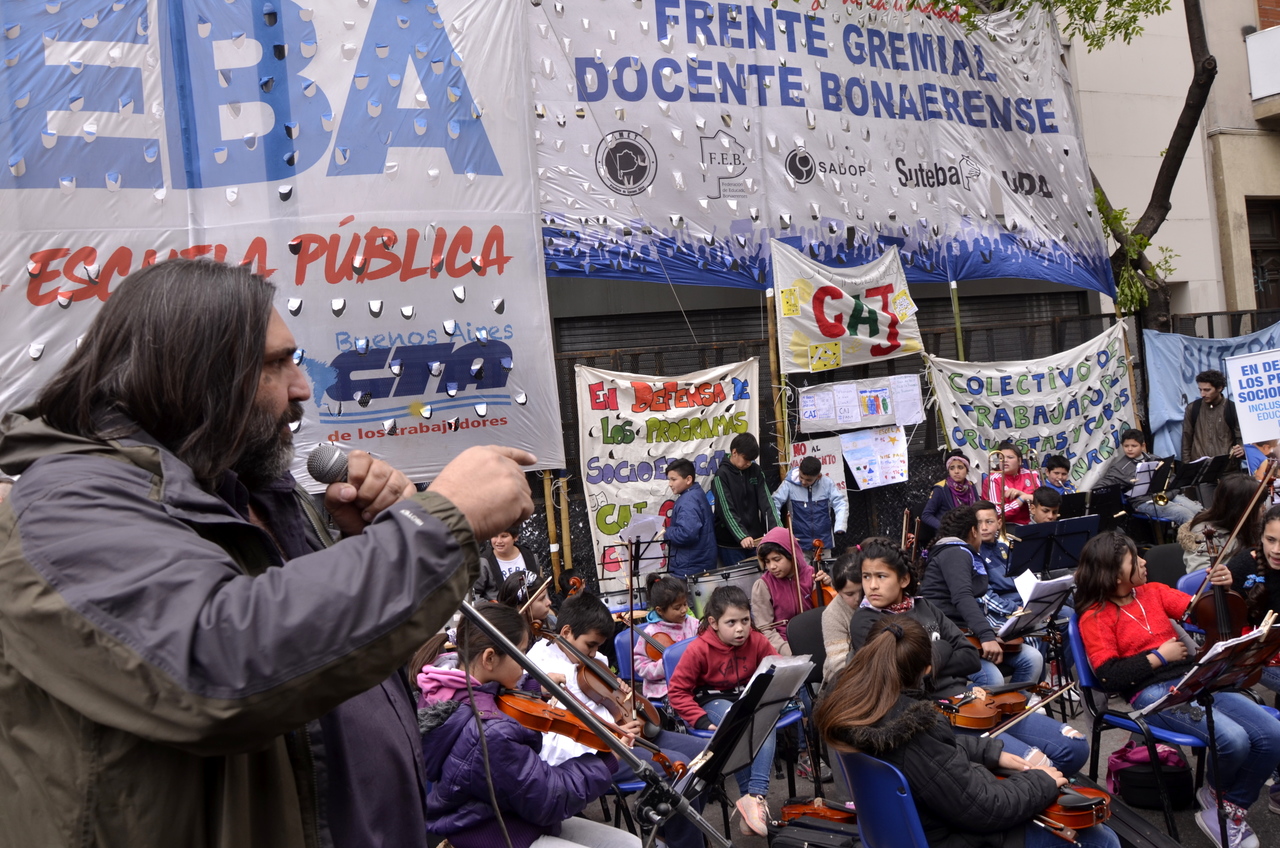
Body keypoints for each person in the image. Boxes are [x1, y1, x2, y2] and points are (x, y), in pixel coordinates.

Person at [0, 259, 536, 848]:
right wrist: (439, 524)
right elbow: (217, 663)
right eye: (276, 364)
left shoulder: (253, 494)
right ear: (192, 373)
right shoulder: (61, 505)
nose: (303, 387)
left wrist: (367, 544)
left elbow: (316, 661)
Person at [817, 616, 1120, 848]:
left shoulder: (855, 709)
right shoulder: (912, 731)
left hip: (899, 832)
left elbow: (929, 760)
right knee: (1100, 838)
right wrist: (1040, 781)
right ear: (926, 669)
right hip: (949, 838)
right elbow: (985, 808)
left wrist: (991, 752)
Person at [1076, 531, 1280, 847]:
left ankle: (1226, 803)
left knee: (1273, 733)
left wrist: (1223, 587)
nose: (1144, 561)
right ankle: (1220, 798)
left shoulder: (1153, 591)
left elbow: (1203, 610)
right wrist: (1158, 657)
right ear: (1116, 574)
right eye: (1135, 559)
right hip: (1150, 695)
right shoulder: (1095, 616)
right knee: (1234, 739)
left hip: (1194, 679)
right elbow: (1109, 677)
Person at [852, 537, 1087, 775]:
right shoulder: (866, 621)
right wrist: (943, 648)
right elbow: (904, 677)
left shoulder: (926, 607)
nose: (871, 585)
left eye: (881, 576)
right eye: (866, 576)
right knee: (1038, 767)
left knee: (1074, 747)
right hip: (935, 716)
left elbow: (969, 657)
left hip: (972, 702)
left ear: (904, 579)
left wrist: (929, 661)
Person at [417, 602, 639, 848]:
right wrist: (608, 758)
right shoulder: (488, 732)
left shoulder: (447, 685)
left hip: (515, 815)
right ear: (490, 658)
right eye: (521, 656)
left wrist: (532, 686)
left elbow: (493, 692)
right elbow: (552, 798)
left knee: (627, 843)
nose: (526, 666)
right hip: (501, 834)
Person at [525, 591, 707, 848]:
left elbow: (608, 702)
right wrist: (612, 734)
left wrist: (623, 698)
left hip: (627, 733)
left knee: (705, 756)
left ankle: (664, 826)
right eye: (590, 645)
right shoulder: (537, 668)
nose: (595, 653)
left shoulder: (595, 657)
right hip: (594, 750)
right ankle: (681, 842)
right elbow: (552, 740)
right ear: (565, 632)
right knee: (679, 767)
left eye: (599, 646)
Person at [667, 585, 786, 837]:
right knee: (740, 720)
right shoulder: (699, 649)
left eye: (745, 620)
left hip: (745, 698)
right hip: (711, 701)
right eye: (731, 622)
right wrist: (698, 719)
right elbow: (677, 692)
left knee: (764, 716)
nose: (741, 628)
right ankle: (754, 799)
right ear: (713, 622)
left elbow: (778, 669)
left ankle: (751, 799)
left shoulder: (757, 639)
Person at [921, 505, 1045, 688]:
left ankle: (1012, 712)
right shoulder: (956, 553)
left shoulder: (961, 552)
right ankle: (979, 712)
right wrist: (987, 636)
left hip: (968, 632)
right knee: (992, 679)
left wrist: (992, 631)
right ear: (973, 531)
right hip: (948, 636)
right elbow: (962, 597)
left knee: (1032, 658)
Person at [1226, 504, 1280, 699]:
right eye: (1270, 540)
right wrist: (1223, 590)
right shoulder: (1243, 565)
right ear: (1261, 537)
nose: (1276, 550)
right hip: (1257, 653)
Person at [750, 525, 832, 655]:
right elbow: (765, 628)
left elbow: (829, 612)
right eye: (767, 561)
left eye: (777, 559)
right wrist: (787, 651)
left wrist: (827, 586)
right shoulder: (763, 585)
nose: (772, 566)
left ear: (792, 555)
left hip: (816, 640)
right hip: (784, 647)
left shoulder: (812, 575)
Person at [1097, 428, 1202, 524]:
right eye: (1126, 446)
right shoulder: (1120, 467)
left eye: (1134, 446)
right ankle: (1196, 542)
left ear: (1143, 446)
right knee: (1183, 513)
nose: (1129, 449)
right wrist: (1128, 480)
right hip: (1143, 502)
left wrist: (1169, 490)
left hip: (1166, 496)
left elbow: (1172, 478)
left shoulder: (1155, 458)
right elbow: (1101, 486)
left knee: (1199, 511)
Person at [711, 433, 781, 567]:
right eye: (746, 459)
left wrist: (778, 531)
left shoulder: (756, 470)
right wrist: (741, 535)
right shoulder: (721, 475)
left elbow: (767, 502)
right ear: (734, 452)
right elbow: (726, 510)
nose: (749, 463)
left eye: (752, 460)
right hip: (730, 543)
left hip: (756, 540)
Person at [1178, 473, 1263, 574]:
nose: (1264, 508)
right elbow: (1200, 578)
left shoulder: (1254, 525)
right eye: (1260, 505)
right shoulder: (1204, 534)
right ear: (1240, 509)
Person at [631, 574, 699, 699]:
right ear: (660, 610)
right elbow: (640, 666)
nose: (684, 610)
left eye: (685, 604)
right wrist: (665, 665)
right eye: (677, 608)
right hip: (664, 688)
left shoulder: (693, 624)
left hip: (694, 681)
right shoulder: (650, 633)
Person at [772, 454, 849, 554]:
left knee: (825, 569)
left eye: (808, 480)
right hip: (799, 541)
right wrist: (778, 527)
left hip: (823, 540)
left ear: (818, 477)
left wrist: (840, 526)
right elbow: (774, 502)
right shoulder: (788, 484)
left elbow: (841, 502)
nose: (803, 482)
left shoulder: (827, 483)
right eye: (801, 477)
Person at [662, 458, 717, 577]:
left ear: (688, 479)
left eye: (673, 479)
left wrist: (666, 532)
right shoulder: (697, 494)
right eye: (669, 479)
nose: (670, 484)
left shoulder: (688, 501)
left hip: (689, 567)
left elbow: (687, 534)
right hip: (698, 563)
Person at [1182, 369, 1244, 463]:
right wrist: (1187, 467)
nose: (1202, 394)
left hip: (1227, 470)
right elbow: (1186, 441)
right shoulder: (1193, 408)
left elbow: (1241, 438)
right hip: (1199, 469)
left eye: (1207, 390)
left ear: (1219, 388)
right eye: (1200, 389)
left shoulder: (1232, 408)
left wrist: (1242, 448)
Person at [820, 550, 863, 685]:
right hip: (844, 679)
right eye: (849, 594)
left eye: (862, 591)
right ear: (837, 591)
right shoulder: (832, 614)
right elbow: (839, 664)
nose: (858, 598)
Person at [473, 522, 545, 601]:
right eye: (495, 536)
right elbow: (474, 594)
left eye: (504, 536)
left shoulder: (530, 557)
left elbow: (540, 587)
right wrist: (491, 606)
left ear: (515, 537)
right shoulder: (484, 562)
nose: (498, 541)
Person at [921, 449, 979, 534]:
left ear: (967, 470)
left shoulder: (971, 486)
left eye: (960, 467)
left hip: (969, 532)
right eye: (952, 468)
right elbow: (926, 515)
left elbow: (977, 509)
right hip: (948, 535)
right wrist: (945, 528)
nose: (956, 471)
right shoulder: (940, 488)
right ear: (948, 471)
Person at [983, 441, 1040, 526]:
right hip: (1006, 526)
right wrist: (1020, 500)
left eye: (1010, 457)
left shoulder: (1032, 474)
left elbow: (1044, 503)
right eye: (1001, 458)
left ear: (1020, 461)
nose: (1005, 460)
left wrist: (1023, 495)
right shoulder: (993, 479)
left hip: (1033, 523)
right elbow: (996, 513)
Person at [497, 570, 557, 636]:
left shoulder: (552, 621)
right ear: (521, 607)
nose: (549, 602)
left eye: (546, 597)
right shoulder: (509, 636)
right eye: (541, 599)